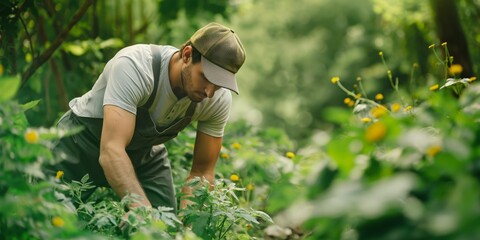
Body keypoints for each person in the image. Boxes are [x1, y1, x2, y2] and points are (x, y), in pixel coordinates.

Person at [53, 22, 246, 212]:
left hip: (141, 155)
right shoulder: (136, 66)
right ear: (187, 55)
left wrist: (189, 228)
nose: (210, 92)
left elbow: (202, 172)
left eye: (220, 83)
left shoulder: (217, 99)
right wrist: (142, 212)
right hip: (79, 145)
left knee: (166, 229)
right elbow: (112, 150)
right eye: (206, 77)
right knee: (49, 220)